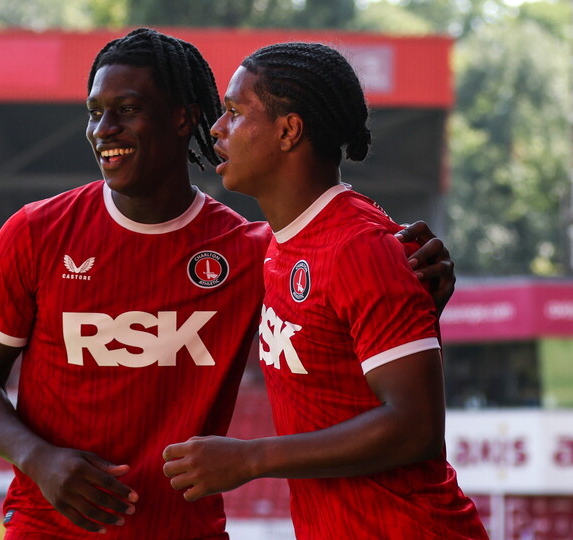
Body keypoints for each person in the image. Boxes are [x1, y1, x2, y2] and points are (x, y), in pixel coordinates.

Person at [0, 29, 455, 539]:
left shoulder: (253, 250)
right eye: (94, 111)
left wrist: (415, 280)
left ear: (181, 117)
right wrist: (37, 458)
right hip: (49, 526)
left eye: (125, 109)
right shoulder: (36, 233)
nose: (103, 129)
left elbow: (346, 281)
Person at [162, 42, 487, 539]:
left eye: (233, 112)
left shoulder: (361, 246)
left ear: (289, 130)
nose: (216, 128)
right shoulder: (279, 245)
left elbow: (417, 427)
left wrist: (253, 457)